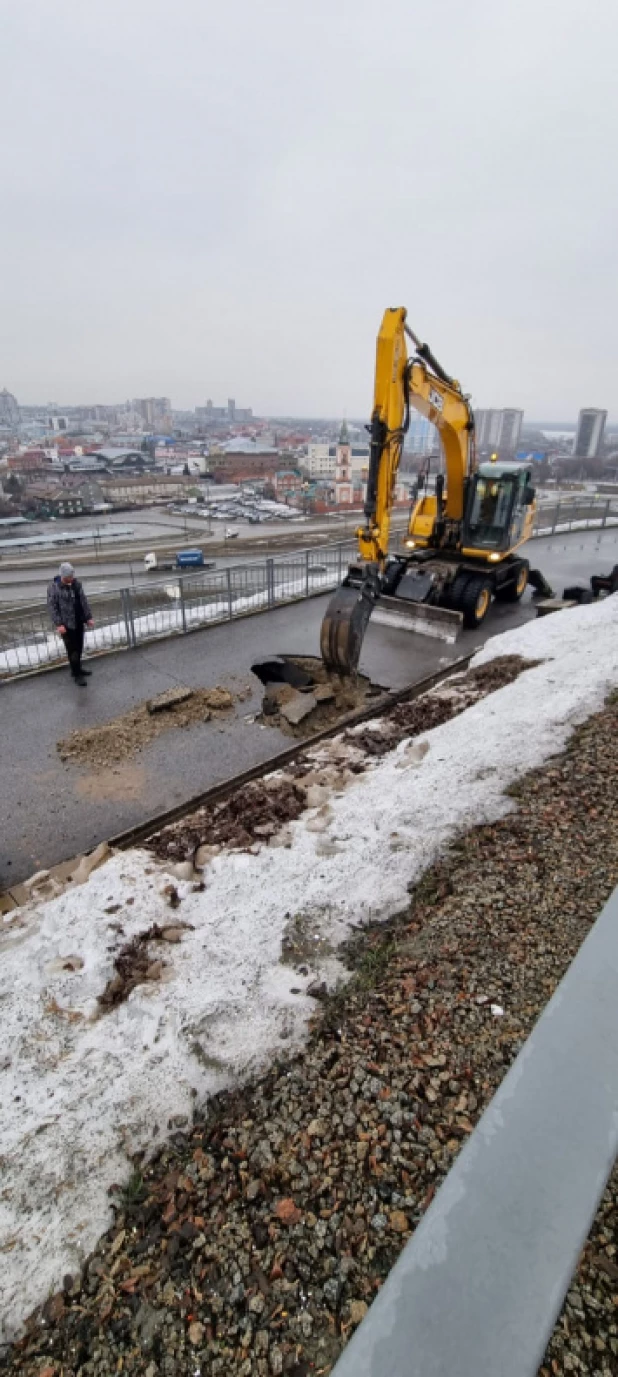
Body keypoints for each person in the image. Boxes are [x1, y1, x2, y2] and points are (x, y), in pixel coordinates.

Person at [47, 561, 95, 686]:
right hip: (66, 625)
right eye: (69, 577)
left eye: (72, 576)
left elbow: (83, 601)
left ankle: (78, 669)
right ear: (63, 576)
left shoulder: (76, 585)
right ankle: (76, 674)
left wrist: (88, 617)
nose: (72, 578)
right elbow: (53, 607)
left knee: (79, 647)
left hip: (78, 621)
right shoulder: (54, 588)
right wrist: (59, 624)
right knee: (72, 650)